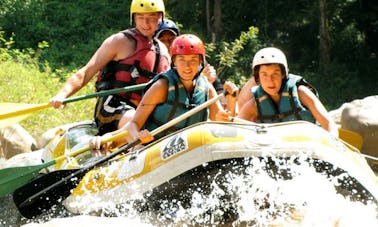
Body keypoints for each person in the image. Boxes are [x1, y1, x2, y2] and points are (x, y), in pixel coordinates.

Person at [90, 34, 239, 153]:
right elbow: (134, 124)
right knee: (129, 145)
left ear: (201, 62)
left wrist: (231, 99)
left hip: (187, 150)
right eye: (182, 60)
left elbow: (223, 121)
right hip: (154, 147)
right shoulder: (162, 86)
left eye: (193, 60)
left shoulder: (206, 88)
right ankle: (105, 141)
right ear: (174, 61)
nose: (187, 66)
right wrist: (138, 136)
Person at [49, 0, 171, 135]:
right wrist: (63, 94)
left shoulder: (163, 51)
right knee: (135, 122)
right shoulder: (119, 41)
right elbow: (86, 72)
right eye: (140, 17)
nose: (145, 23)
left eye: (151, 18)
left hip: (143, 110)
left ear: (160, 18)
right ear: (133, 18)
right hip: (112, 104)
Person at [238, 47, 338, 136]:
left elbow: (328, 124)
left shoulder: (301, 92)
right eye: (264, 74)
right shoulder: (254, 104)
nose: (270, 80)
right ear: (257, 77)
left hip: (309, 148)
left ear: (283, 74)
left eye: (275, 74)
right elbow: (236, 129)